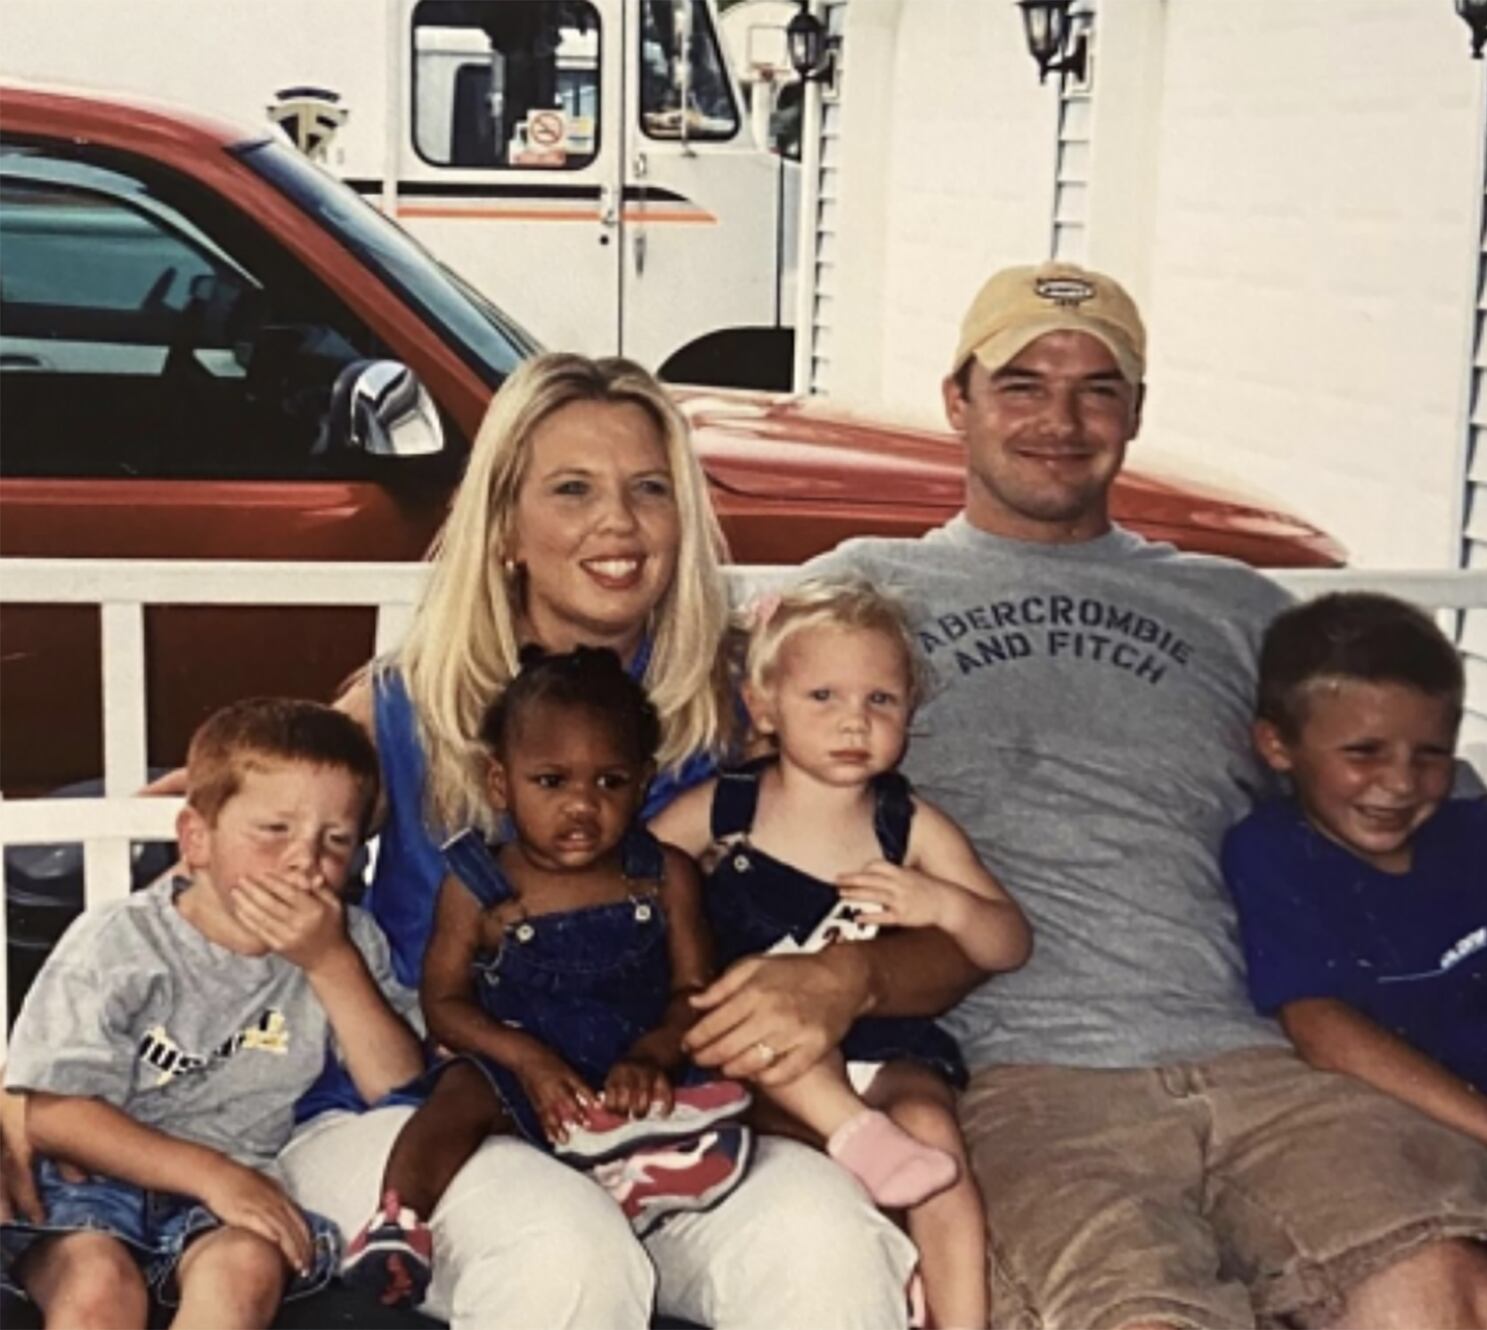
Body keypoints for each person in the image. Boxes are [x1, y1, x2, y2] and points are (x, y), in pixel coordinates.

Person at [681, 261, 1487, 1328]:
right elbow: (709, 808)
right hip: (1024, 1080)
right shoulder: (859, 596)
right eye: (1020, 384)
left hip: (1262, 1060)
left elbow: (1432, 808)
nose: (1060, 417)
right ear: (956, 400)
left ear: (1134, 413)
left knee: (1472, 1301)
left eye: (1097, 387)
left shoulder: (1233, 607)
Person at [220, 352, 918, 1329]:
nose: (619, 524)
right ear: (505, 524)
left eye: (648, 490)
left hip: (658, 1118)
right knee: (564, 1252)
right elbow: (222, 871)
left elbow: (912, 896)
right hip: (423, 1115)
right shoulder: (409, 702)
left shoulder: (746, 714)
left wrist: (852, 975)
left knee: (826, 1240)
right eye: (572, 489)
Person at [654, 576, 1031, 1329]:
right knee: (766, 1036)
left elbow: (1009, 942)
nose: (853, 721)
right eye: (822, 697)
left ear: (908, 715)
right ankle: (858, 1144)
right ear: (764, 707)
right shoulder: (725, 809)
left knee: (935, 1139)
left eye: (880, 701)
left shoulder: (909, 825)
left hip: (882, 1045)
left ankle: (961, 1317)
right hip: (761, 1050)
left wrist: (945, 906)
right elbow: (634, 877)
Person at [1223, 591, 1487, 1328]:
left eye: (1430, 755)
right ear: (1276, 746)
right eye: (1363, 753)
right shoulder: (1273, 853)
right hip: (1450, 1174)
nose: (1400, 783)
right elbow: (1320, 1025)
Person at [342, 645, 751, 1308]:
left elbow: (692, 992)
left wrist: (652, 1053)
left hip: (628, 1064)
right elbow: (443, 1003)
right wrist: (524, 1058)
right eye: (551, 782)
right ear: (501, 783)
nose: (583, 806)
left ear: (644, 781)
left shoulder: (664, 875)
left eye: (610, 782)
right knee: (457, 1097)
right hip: (514, 1067)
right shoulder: (477, 883)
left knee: (712, 1091)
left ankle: (643, 1163)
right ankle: (400, 1220)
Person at [0, 699, 422, 1330]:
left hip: (241, 1189)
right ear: (196, 838)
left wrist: (330, 964)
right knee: (98, 1289)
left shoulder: (348, 944)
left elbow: (396, 1086)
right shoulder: (121, 941)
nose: (305, 860)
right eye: (275, 831)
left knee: (246, 1271)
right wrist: (209, 1174)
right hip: (92, 1184)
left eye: (336, 841)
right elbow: (54, 1111)